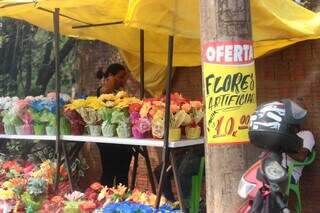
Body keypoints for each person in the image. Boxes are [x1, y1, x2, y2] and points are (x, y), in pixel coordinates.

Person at [96, 63, 132, 186]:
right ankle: (106, 201)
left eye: (124, 78)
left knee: (123, 174)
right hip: (108, 141)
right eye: (120, 77)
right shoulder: (102, 92)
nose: (123, 81)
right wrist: (110, 80)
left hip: (122, 141)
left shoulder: (120, 93)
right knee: (109, 172)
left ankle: (122, 201)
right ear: (110, 76)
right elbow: (106, 90)